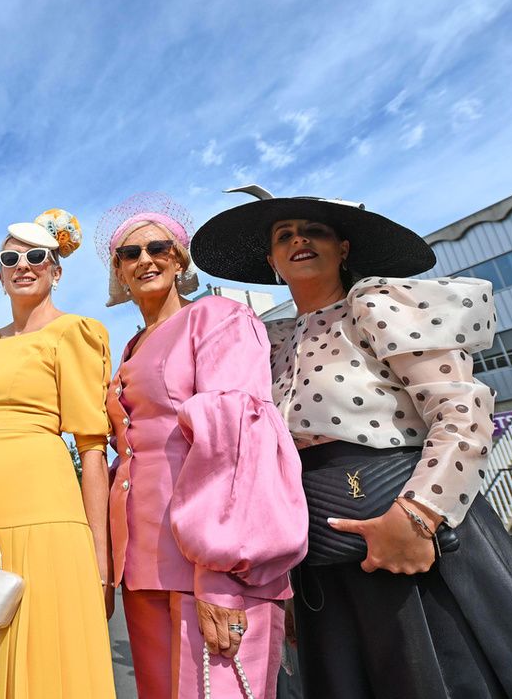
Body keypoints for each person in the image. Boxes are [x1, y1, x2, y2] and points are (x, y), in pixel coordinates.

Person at [190, 188, 512, 699]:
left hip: (416, 536)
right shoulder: (266, 339)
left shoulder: (376, 306)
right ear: (272, 260)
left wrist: (417, 516)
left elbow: (461, 412)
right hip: (321, 554)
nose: (298, 239)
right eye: (283, 236)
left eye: (314, 230)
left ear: (344, 248)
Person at [96, 193, 307, 699]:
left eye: (158, 247)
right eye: (130, 253)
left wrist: (222, 576)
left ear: (180, 258)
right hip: (143, 564)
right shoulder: (132, 347)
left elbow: (238, 444)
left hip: (207, 563)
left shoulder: (219, 318)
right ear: (119, 272)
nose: (145, 260)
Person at [0, 210, 117, 698]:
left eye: (37, 256)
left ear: (55, 270)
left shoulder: (77, 332)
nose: (24, 265)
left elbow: (91, 448)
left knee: (49, 655)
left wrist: (99, 562)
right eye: (10, 258)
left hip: (50, 517)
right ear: (0, 275)